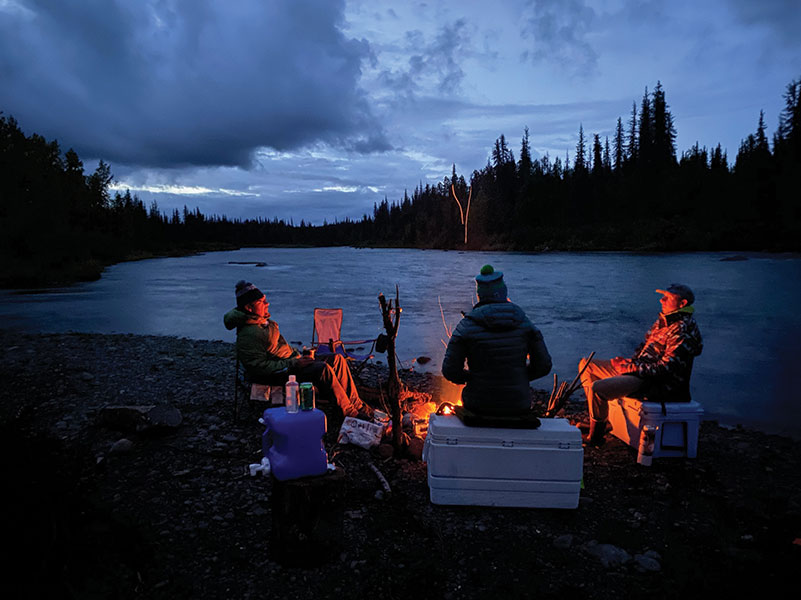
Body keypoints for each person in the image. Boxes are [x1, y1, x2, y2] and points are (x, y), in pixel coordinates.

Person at [223, 280, 375, 420]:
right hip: (278, 373)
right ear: (249, 307)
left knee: (337, 359)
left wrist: (299, 357)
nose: (267, 304)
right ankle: (349, 413)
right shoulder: (248, 334)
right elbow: (257, 368)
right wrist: (294, 364)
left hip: (290, 363)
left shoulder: (262, 322)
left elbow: (281, 349)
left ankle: (359, 406)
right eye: (261, 302)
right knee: (323, 370)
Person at [579, 283, 703, 446]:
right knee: (586, 364)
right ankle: (602, 421)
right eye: (663, 296)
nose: (662, 300)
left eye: (668, 297)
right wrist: (627, 362)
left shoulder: (681, 329)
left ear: (683, 304)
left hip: (657, 384)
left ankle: (596, 437)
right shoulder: (664, 322)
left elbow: (665, 369)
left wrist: (628, 368)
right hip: (641, 372)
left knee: (598, 389)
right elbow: (643, 351)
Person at [441, 265, 552, 416]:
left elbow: (450, 371)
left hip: (478, 405)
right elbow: (544, 365)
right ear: (504, 294)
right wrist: (517, 376)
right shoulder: (525, 323)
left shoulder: (466, 326)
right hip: (518, 404)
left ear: (480, 295)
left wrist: (473, 378)